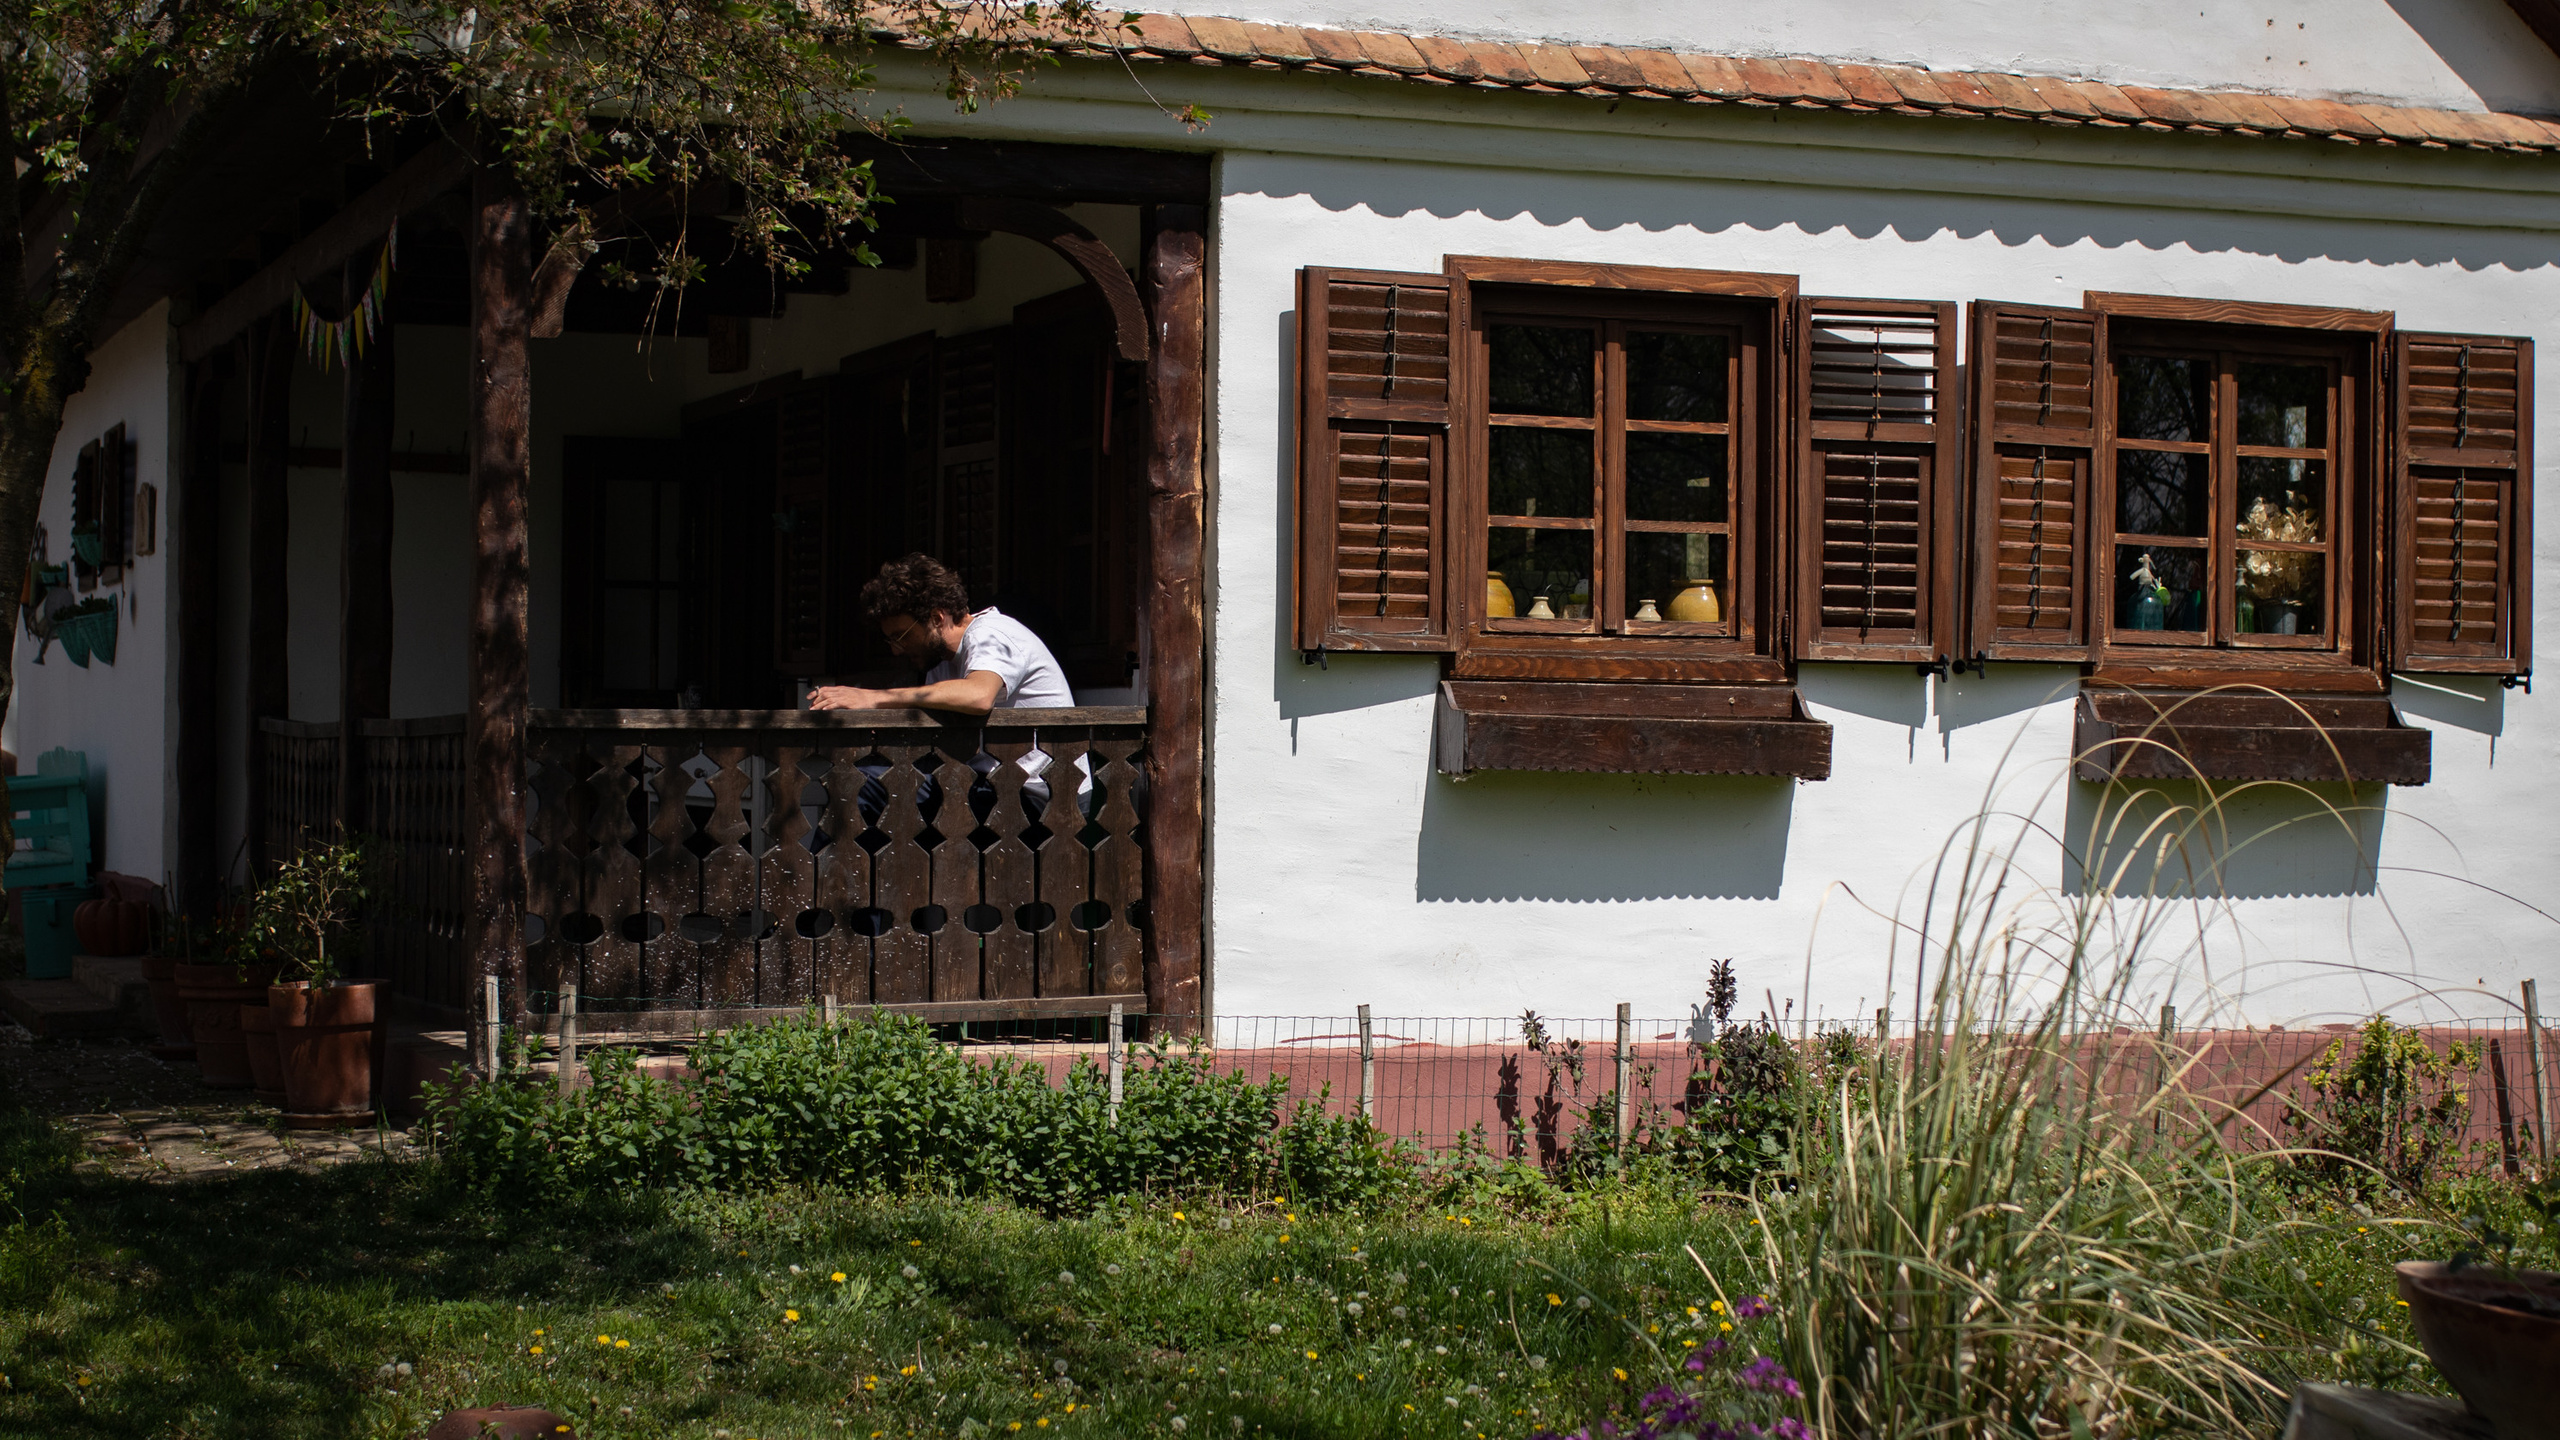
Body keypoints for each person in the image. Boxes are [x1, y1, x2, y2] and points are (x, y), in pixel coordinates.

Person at [810, 554, 1081, 822]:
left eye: (901, 637)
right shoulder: (940, 663)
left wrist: (874, 699)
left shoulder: (991, 635)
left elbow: (979, 695)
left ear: (937, 618)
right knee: (863, 781)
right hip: (987, 785)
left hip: (1044, 797)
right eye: (889, 640)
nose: (895, 650)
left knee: (877, 793)